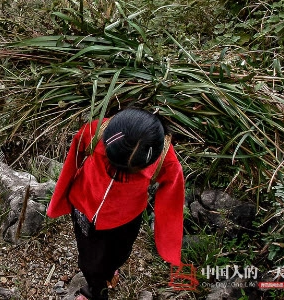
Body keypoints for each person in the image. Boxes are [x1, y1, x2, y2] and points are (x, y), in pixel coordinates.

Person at [47, 108, 185, 300]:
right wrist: (60, 198)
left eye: (131, 170)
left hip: (127, 217)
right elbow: (74, 157)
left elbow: (172, 192)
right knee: (89, 263)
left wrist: (167, 239)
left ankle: (111, 271)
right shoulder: (96, 131)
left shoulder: (163, 157)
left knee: (119, 253)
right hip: (84, 205)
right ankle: (95, 292)